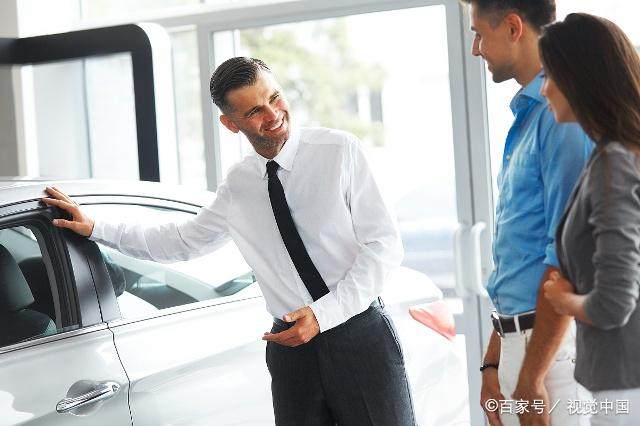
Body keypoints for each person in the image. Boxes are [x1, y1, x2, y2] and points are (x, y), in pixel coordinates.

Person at [41, 57, 416, 425]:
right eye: (255, 111)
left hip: (358, 332)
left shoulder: (339, 151)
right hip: (291, 350)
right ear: (230, 123)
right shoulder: (240, 184)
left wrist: (323, 315)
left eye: (275, 97)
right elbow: (180, 241)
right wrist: (96, 228)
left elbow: (384, 245)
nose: (273, 114)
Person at [460, 0, 593, 424]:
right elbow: (519, 261)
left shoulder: (561, 117)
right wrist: (493, 361)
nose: (476, 48)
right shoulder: (529, 115)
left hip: (551, 357)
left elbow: (566, 259)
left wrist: (532, 378)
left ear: (514, 27)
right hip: (521, 346)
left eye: (479, 33)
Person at [539, 13, 640, 426]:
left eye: (549, 76)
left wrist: (563, 300)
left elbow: (614, 303)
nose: (544, 89)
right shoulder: (618, 155)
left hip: (625, 387)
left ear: (578, 78)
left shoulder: (614, 163)